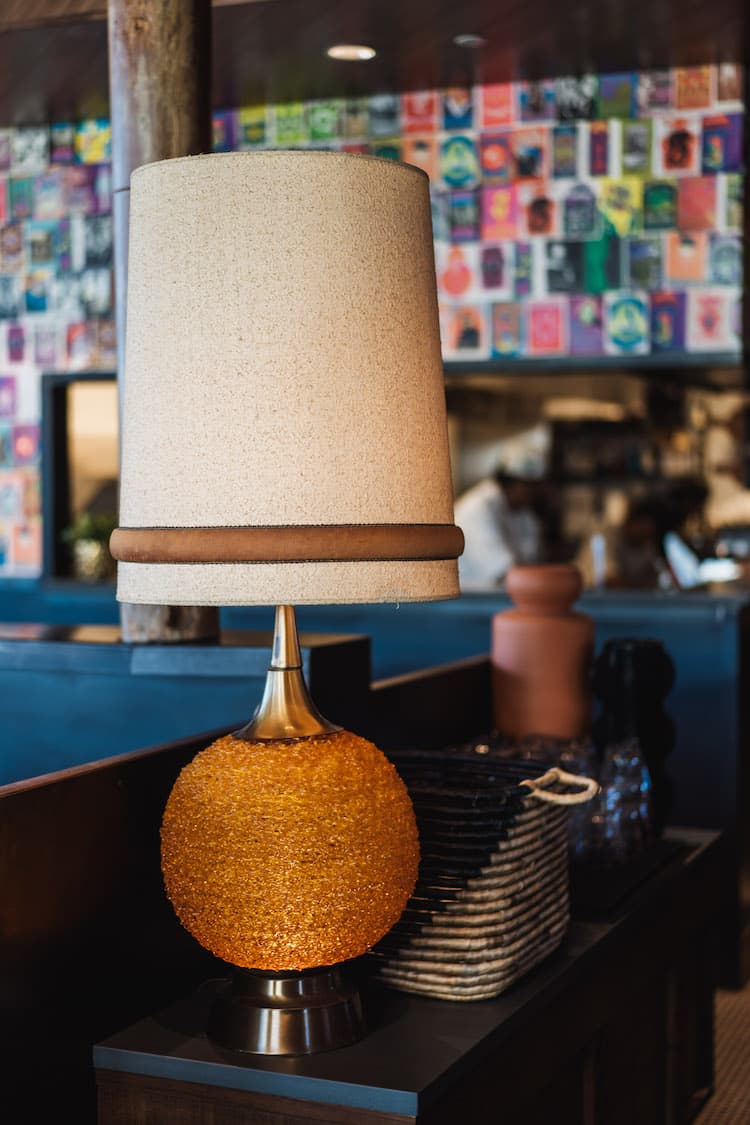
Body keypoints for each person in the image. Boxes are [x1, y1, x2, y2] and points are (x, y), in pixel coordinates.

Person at [454, 426, 549, 591]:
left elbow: (532, 561)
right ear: (513, 483)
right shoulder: (477, 510)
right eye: (531, 487)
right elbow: (505, 573)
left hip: (506, 597)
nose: (536, 494)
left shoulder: (523, 512)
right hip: (471, 600)